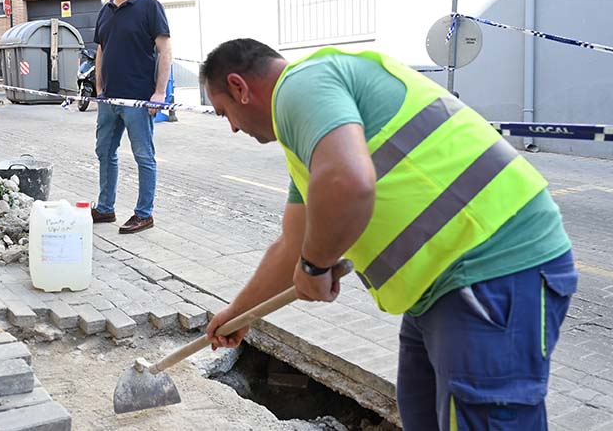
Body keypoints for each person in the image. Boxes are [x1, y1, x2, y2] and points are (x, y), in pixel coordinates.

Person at [200, 39, 577, 430]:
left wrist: (315, 265)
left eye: (224, 111)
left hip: (493, 268)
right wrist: (240, 313)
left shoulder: (302, 83)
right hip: (438, 290)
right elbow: (293, 244)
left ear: (240, 87)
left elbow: (347, 181)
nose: (231, 127)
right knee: (422, 413)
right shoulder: (310, 140)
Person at [90, 0, 172, 234]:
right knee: (104, 152)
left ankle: (144, 213)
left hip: (138, 99)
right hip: (109, 100)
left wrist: (159, 93)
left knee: (143, 156)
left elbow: (165, 50)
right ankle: (105, 208)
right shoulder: (106, 10)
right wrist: (99, 87)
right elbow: (101, 49)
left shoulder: (149, 6)